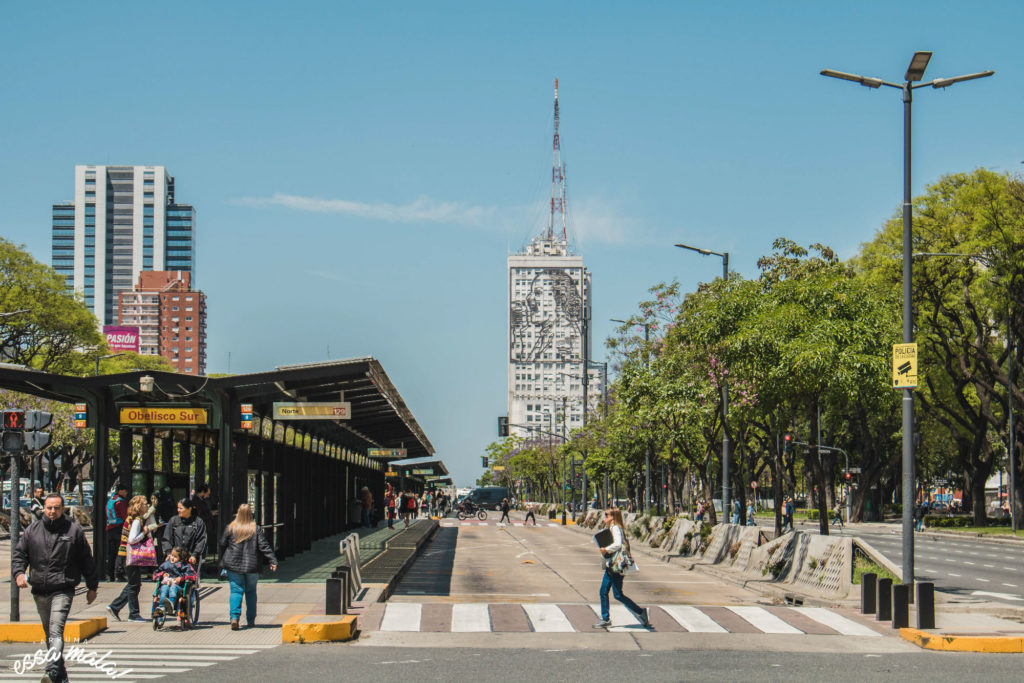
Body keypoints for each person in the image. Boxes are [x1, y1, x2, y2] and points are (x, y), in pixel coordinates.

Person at [12, 493, 98, 683]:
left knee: (55, 631)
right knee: (49, 634)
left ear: (63, 509)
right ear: (43, 508)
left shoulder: (74, 531)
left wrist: (92, 586)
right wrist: (19, 573)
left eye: (56, 508)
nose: (52, 511)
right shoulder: (32, 530)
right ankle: (61, 676)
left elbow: (86, 559)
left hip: (63, 588)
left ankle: (51, 672)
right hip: (40, 590)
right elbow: (19, 555)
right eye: (49, 508)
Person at [219, 503, 278, 630]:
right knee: (251, 592)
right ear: (250, 514)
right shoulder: (255, 529)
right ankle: (251, 620)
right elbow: (264, 546)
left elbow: (222, 544)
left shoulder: (230, 528)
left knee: (236, 591)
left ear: (238, 514)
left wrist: (223, 560)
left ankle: (234, 618)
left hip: (233, 565)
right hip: (252, 566)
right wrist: (272, 560)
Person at [594, 507, 649, 629]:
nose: (605, 517)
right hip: (612, 566)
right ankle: (606, 618)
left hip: (616, 566)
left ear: (613, 517)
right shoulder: (611, 528)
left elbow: (618, 543)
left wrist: (606, 549)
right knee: (606, 592)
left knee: (616, 594)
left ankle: (640, 612)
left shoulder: (615, 528)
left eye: (607, 515)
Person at [107, 495, 154, 622]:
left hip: (125, 555)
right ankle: (133, 614)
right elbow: (132, 539)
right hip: (130, 555)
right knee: (134, 585)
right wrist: (144, 532)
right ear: (139, 506)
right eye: (145, 504)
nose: (147, 506)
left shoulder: (132, 518)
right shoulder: (137, 520)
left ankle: (115, 607)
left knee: (133, 584)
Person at [162, 498, 208, 573]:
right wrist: (169, 553)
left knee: (189, 580)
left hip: (191, 558)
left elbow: (201, 540)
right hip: (175, 557)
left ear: (189, 509)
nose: (178, 510)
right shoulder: (174, 521)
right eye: (178, 508)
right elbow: (167, 538)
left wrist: (195, 555)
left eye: (181, 508)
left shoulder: (198, 522)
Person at [154, 547, 196, 619]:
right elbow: (156, 572)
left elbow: (191, 575)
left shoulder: (184, 565)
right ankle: (161, 607)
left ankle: (171, 604)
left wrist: (181, 578)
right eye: (171, 555)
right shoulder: (166, 564)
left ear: (181, 558)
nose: (172, 558)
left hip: (179, 586)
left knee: (173, 588)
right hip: (167, 583)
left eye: (175, 557)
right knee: (163, 589)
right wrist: (163, 574)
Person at [105, 484, 129, 581]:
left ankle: (110, 573)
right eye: (125, 491)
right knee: (121, 551)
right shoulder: (120, 502)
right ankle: (118, 573)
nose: (126, 493)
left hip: (110, 529)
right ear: (120, 491)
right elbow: (125, 516)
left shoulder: (111, 500)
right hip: (119, 528)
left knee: (111, 553)